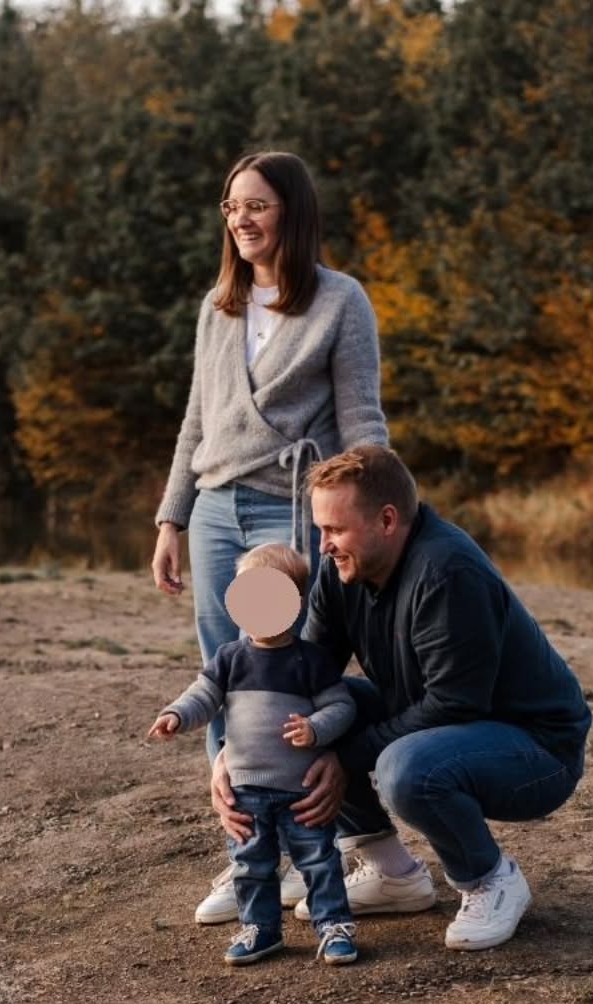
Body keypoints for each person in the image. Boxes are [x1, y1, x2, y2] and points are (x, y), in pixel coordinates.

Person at [210, 445, 593, 952]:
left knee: (405, 767)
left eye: (335, 530)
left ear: (387, 520)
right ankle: (391, 871)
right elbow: (301, 677)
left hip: (535, 750)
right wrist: (231, 758)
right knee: (308, 715)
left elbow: (455, 705)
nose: (323, 545)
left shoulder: (448, 573)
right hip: (445, 723)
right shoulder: (343, 566)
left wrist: (342, 759)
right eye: (322, 530)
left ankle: (491, 880)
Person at [150, 148, 389, 927]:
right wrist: (171, 517)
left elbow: (361, 421)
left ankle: (318, 847)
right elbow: (195, 419)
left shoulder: (340, 302)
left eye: (255, 204)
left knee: (295, 681)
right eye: (230, 208)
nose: (240, 219)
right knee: (229, 678)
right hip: (219, 512)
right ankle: (248, 862)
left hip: (293, 510)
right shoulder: (218, 306)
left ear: (291, 210)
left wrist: (383, 519)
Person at [147, 544, 359, 967]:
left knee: (319, 860)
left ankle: (334, 926)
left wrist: (316, 728)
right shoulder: (230, 659)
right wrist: (176, 715)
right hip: (246, 791)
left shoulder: (309, 660)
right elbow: (202, 697)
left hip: (301, 790)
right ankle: (261, 928)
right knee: (250, 864)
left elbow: (343, 706)